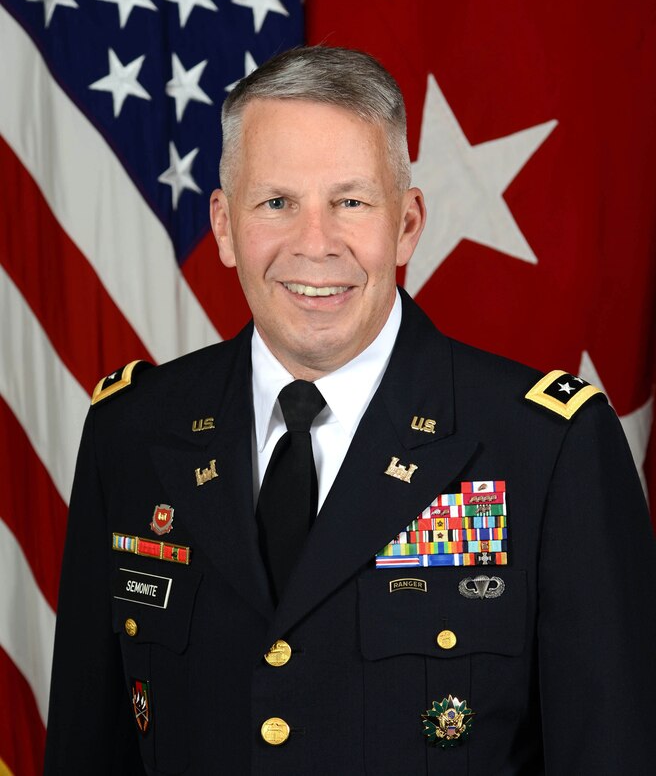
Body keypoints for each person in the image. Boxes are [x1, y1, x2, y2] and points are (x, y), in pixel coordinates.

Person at [44, 46, 656, 775]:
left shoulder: (544, 449)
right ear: (226, 226)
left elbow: (611, 752)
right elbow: (90, 747)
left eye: (350, 202)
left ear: (405, 223)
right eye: (277, 203)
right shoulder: (133, 432)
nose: (315, 245)